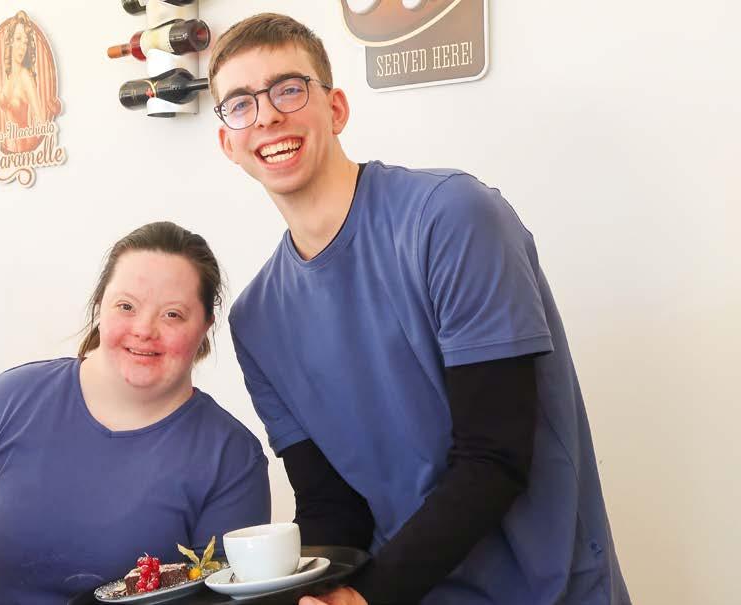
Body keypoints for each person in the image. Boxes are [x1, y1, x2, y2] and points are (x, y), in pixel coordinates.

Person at [209, 13, 629, 605]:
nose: (267, 116)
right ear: (228, 143)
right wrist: (319, 594)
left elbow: (495, 457)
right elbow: (333, 504)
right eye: (241, 104)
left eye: (288, 89)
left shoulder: (451, 217)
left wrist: (371, 596)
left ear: (336, 108)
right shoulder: (256, 321)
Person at [0, 221, 270, 604]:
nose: (144, 329)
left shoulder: (231, 458)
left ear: (206, 325)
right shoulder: (4, 401)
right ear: (99, 307)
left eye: (173, 315)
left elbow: (222, 594)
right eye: (126, 306)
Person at [0, 11, 59, 153]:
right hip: (10, 152)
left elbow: (41, 121)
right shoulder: (8, 75)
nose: (22, 46)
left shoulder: (26, 78)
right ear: (11, 41)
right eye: (18, 39)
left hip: (25, 149)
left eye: (25, 42)